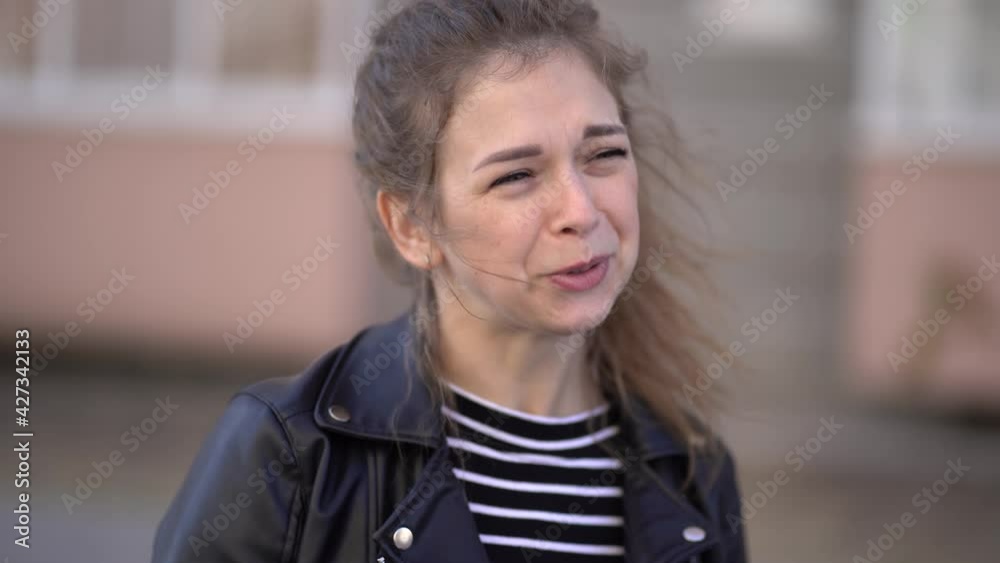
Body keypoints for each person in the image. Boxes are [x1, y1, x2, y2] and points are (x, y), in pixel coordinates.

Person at [152, 1, 748, 562]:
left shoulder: (693, 473)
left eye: (604, 154)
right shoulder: (292, 452)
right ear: (412, 227)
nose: (582, 210)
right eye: (516, 175)